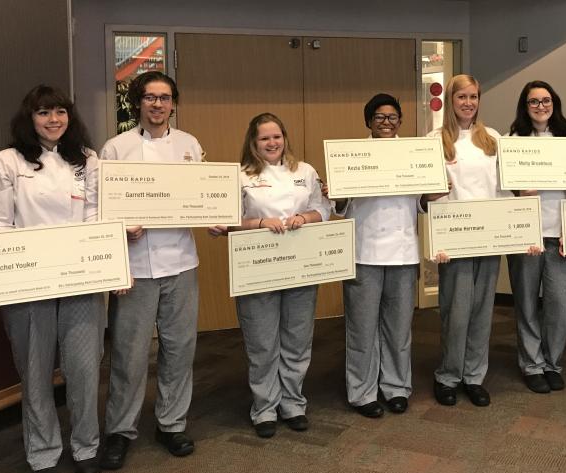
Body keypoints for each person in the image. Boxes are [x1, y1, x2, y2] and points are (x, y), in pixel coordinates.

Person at [0, 85, 102, 473]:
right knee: (36, 373)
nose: (53, 120)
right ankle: (42, 457)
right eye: (44, 113)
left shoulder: (88, 160)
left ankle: (86, 448)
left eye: (60, 111)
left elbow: (95, 217)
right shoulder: (7, 161)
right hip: (29, 280)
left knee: (83, 370)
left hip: (80, 277)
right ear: (30, 118)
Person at [99, 72, 203, 470]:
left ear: (174, 103)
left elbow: (202, 196)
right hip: (135, 267)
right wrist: (120, 231)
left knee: (180, 349)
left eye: (164, 98)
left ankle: (172, 424)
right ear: (137, 103)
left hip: (181, 263)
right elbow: (101, 209)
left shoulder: (189, 145)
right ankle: (120, 431)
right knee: (128, 353)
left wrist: (213, 216)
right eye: (149, 98)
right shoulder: (115, 148)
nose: (157, 105)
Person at [214, 112, 330, 438]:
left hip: (300, 265)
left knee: (296, 339)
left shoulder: (304, 171)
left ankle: (293, 403)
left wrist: (305, 217)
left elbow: (324, 208)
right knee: (262, 342)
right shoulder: (240, 176)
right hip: (258, 268)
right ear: (253, 142)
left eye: (276, 136)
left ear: (285, 138)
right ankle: (264, 407)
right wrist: (259, 223)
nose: (272, 143)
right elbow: (228, 220)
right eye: (264, 138)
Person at [427, 74, 516, 407]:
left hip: (489, 238)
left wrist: (514, 230)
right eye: (462, 97)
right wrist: (438, 242)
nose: (468, 103)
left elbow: (503, 189)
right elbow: (432, 195)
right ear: (450, 100)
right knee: (456, 310)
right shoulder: (434, 139)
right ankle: (448, 375)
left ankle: (474, 375)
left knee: (482, 310)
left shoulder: (491, 137)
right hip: (455, 241)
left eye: (474, 96)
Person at [334, 94, 420, 418]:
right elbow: (340, 208)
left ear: (400, 121)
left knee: (399, 327)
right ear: (368, 121)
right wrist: (336, 194)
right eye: (380, 117)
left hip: (403, 251)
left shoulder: (415, 154)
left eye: (393, 117)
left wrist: (437, 189)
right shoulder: (351, 155)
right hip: (364, 252)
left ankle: (396, 387)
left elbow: (423, 201)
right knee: (362, 327)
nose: (387, 122)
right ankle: (362, 391)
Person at [507, 81, 566, 393]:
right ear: (525, 106)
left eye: (546, 100)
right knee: (526, 303)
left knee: (558, 304)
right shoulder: (512, 140)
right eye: (533, 101)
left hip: (560, 234)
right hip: (526, 234)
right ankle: (532, 364)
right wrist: (519, 190)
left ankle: (552, 363)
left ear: (554, 103)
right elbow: (503, 189)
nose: (540, 106)